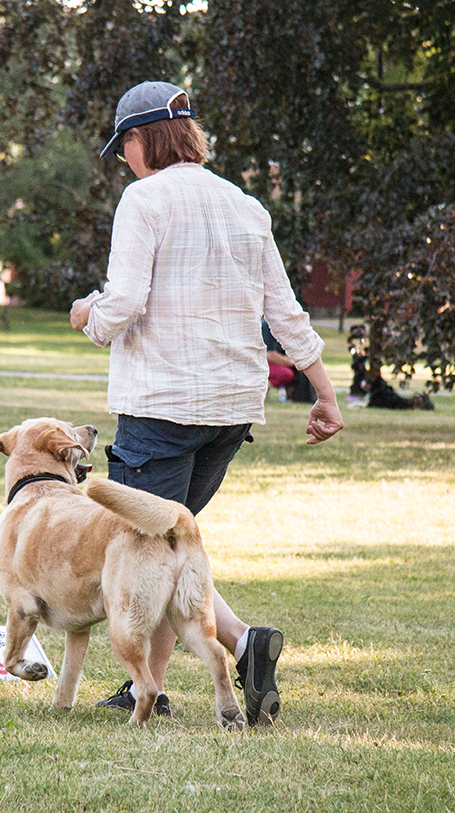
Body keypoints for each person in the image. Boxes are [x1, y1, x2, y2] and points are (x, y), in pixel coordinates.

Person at [70, 81, 345, 726]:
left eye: (125, 147)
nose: (124, 161)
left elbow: (124, 304)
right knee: (168, 547)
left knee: (152, 545)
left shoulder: (144, 200)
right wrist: (324, 391)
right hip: (231, 410)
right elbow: (285, 310)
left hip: (163, 405)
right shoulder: (245, 205)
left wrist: (87, 313)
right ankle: (153, 688)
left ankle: (247, 643)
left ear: (143, 140)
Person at [264, 319, 316, 403]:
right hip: (267, 362)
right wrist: (291, 362)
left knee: (306, 369)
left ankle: (302, 398)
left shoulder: (289, 328)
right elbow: (270, 354)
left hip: (283, 360)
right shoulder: (266, 326)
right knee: (286, 374)